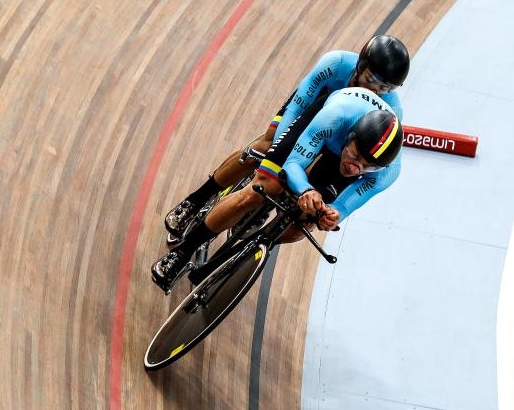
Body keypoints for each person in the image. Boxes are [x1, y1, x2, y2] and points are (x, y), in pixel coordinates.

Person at [152, 86, 404, 291]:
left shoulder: (386, 172)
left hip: (339, 157)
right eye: (355, 156)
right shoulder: (336, 117)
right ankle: (184, 252)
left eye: (366, 167)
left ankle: (251, 248)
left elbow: (345, 205)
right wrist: (305, 190)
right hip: (323, 135)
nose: (355, 168)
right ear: (351, 138)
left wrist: (332, 214)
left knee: (303, 226)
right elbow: (294, 163)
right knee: (259, 190)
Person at [164, 35, 410, 243]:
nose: (376, 90)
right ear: (360, 64)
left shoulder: (390, 112)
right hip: (315, 105)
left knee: (310, 212)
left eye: (386, 88)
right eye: (371, 79)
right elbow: (298, 105)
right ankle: (197, 199)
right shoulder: (336, 64)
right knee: (269, 143)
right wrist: (279, 146)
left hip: (345, 138)